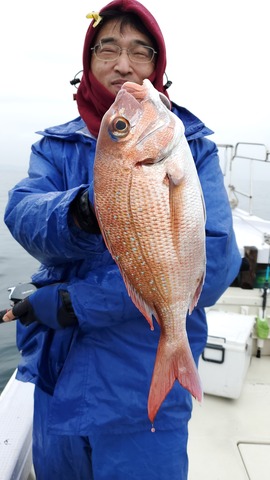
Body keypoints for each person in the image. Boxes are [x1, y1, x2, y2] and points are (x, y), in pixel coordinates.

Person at [3, 1, 241, 478]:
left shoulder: (191, 148)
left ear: (158, 67)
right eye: (107, 48)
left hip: (141, 398)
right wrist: (85, 209)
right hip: (55, 380)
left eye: (140, 51)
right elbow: (21, 213)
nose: (123, 63)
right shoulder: (55, 147)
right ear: (88, 63)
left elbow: (214, 265)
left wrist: (76, 303)